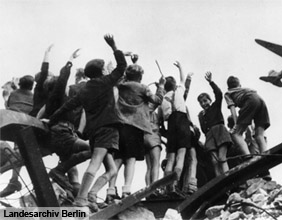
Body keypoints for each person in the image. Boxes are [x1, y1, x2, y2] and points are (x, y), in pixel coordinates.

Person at [48, 34, 126, 212]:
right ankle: (81, 199)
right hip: (108, 128)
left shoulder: (84, 90)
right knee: (96, 162)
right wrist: (114, 46)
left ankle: (91, 195)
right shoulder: (105, 83)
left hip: (95, 131)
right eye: (105, 69)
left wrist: (51, 120)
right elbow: (122, 67)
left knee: (112, 170)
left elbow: (65, 107)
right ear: (102, 72)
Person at [106, 64, 165, 202]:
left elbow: (119, 79)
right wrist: (161, 86)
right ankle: (126, 190)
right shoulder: (143, 88)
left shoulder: (121, 86)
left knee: (118, 158)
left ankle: (110, 190)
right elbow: (157, 100)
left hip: (120, 125)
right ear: (140, 76)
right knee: (130, 159)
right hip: (135, 126)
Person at [39, 48, 92, 198]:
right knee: (95, 149)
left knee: (73, 170)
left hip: (60, 134)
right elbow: (62, 80)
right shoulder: (57, 97)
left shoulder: (50, 103)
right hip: (63, 134)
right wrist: (70, 61)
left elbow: (39, 115)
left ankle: (75, 196)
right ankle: (58, 171)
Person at [160, 61, 194, 196]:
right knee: (181, 155)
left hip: (170, 125)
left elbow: (162, 119)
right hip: (182, 122)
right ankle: (174, 185)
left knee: (171, 157)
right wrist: (180, 67)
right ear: (174, 85)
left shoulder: (162, 99)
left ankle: (167, 186)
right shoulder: (179, 90)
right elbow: (182, 80)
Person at [0, 75, 34, 197]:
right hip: (27, 125)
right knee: (19, 153)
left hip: (17, 124)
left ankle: (13, 182)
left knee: (18, 153)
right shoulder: (33, 96)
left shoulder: (13, 94)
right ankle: (13, 181)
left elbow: (9, 107)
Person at [224, 76, 270, 157]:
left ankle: (247, 156)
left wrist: (236, 124)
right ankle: (265, 154)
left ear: (228, 87)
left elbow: (232, 108)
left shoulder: (228, 93)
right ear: (240, 85)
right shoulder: (245, 89)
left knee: (236, 134)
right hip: (260, 100)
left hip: (250, 100)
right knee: (259, 135)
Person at [197, 71, 233, 176]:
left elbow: (219, 94)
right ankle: (220, 182)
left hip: (219, 131)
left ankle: (227, 178)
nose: (204, 104)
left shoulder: (215, 106)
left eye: (205, 100)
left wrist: (211, 82)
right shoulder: (201, 115)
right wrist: (201, 117)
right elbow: (203, 129)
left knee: (222, 158)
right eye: (201, 102)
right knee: (214, 161)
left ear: (209, 100)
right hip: (209, 135)